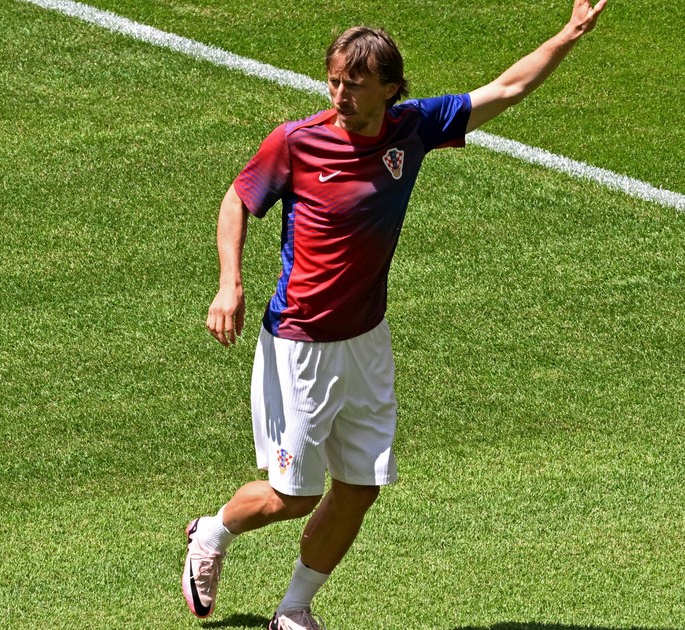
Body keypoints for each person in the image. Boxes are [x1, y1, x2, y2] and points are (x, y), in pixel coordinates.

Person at [183, 1, 607, 627]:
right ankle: (212, 532)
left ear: (390, 88)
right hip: (301, 341)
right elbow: (238, 199)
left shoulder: (413, 129)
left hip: (366, 340)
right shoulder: (297, 142)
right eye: (334, 82)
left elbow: (507, 88)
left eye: (355, 85)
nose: (340, 95)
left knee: (360, 486)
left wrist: (568, 34)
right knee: (292, 496)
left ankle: (293, 610)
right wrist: (229, 284)